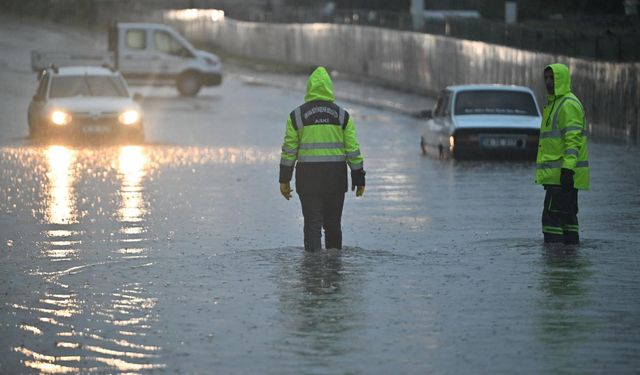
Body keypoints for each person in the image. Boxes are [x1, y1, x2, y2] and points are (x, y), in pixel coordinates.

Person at [279, 66, 365, 251]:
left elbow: (289, 151)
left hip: (308, 179)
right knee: (333, 224)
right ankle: (335, 269)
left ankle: (312, 271)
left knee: (312, 224)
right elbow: (353, 150)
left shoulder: (296, 116)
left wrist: (284, 180)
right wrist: (359, 178)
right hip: (335, 178)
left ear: (309, 88)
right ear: (329, 88)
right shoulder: (343, 116)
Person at [535, 63, 589, 245]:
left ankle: (555, 267)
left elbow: (573, 142)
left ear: (562, 79)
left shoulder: (567, 105)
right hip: (560, 177)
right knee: (567, 222)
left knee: (551, 222)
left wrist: (567, 170)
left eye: (553, 78)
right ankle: (569, 263)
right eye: (546, 78)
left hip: (563, 177)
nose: (549, 82)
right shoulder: (555, 104)